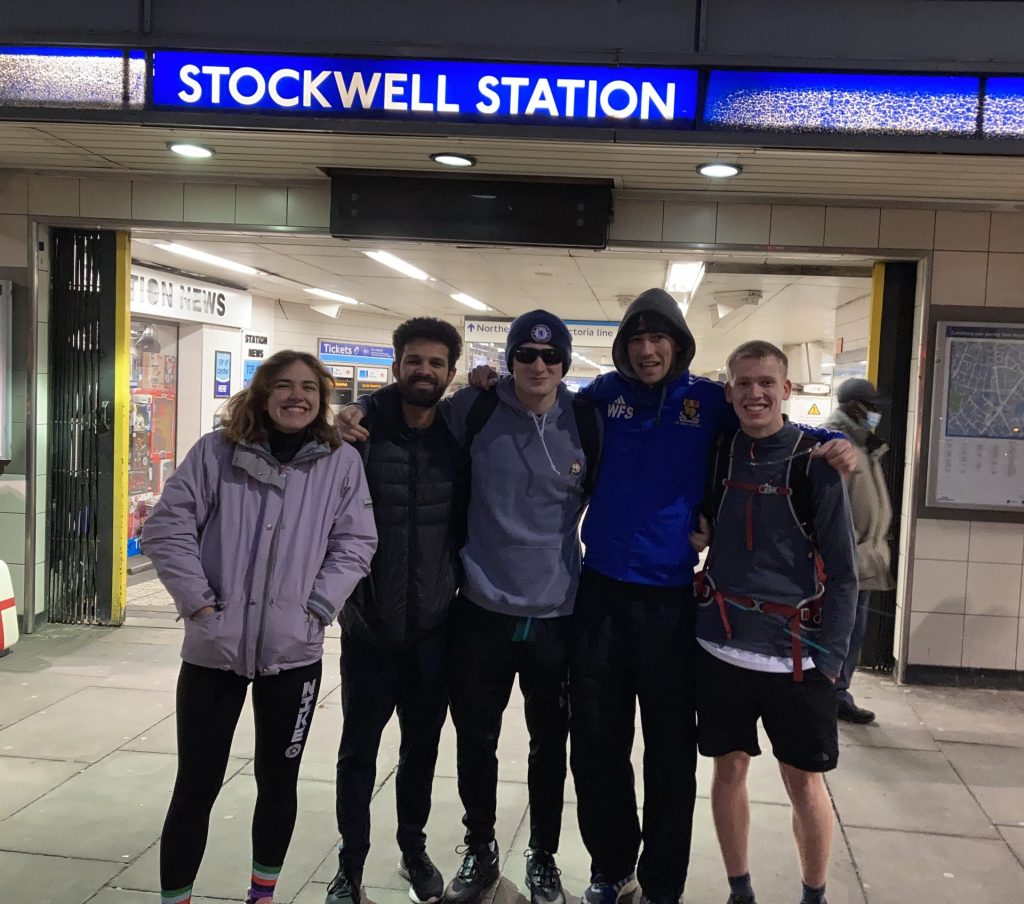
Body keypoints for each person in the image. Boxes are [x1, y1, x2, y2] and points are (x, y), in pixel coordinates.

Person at [565, 289, 853, 904]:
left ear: (678, 344)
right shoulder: (600, 399)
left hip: (673, 603)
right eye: (637, 340)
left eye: (658, 339)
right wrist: (485, 385)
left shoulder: (707, 402)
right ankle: (611, 867)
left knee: (670, 754)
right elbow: (537, 397)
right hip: (601, 596)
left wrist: (832, 441)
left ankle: (663, 882)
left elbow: (770, 423)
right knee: (596, 742)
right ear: (623, 347)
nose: (647, 351)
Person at [337, 310, 601, 904]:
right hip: (478, 608)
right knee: (474, 740)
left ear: (563, 364)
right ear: (507, 361)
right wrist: (351, 409)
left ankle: (542, 856)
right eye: (525, 356)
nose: (538, 366)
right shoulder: (473, 410)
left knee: (547, 744)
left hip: (558, 612)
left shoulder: (586, 419)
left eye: (550, 357)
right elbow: (410, 402)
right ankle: (479, 851)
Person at [143, 350, 378, 904]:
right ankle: (175, 897)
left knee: (278, 782)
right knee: (195, 784)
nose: (296, 396)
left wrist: (317, 608)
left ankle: (262, 895)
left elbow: (356, 542)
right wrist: (200, 606)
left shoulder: (341, 463)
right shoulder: (214, 454)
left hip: (293, 656)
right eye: (283, 385)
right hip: (212, 655)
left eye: (309, 389)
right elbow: (166, 528)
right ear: (261, 392)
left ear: (323, 400)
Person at [691, 340, 858, 904]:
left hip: (799, 657)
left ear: (786, 390)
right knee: (727, 771)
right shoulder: (719, 453)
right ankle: (741, 890)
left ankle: (814, 894)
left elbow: (844, 574)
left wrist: (832, 661)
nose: (754, 393)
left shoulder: (818, 462)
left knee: (804, 783)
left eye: (766, 383)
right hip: (720, 647)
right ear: (729, 390)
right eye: (743, 383)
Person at [326, 318, 466, 904]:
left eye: (436, 363)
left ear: (450, 373)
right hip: (369, 625)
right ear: (395, 366)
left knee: (422, 750)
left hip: (435, 626)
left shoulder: (460, 434)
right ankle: (349, 869)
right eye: (414, 361)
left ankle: (414, 849)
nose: (424, 371)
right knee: (358, 751)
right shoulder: (358, 433)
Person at [825, 378, 895, 724]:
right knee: (842, 632)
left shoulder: (865, 446)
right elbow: (830, 506)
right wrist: (847, 550)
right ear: (854, 408)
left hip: (864, 558)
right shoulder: (838, 445)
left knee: (853, 634)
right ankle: (832, 694)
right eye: (872, 407)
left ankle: (838, 693)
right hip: (848, 560)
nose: (876, 413)